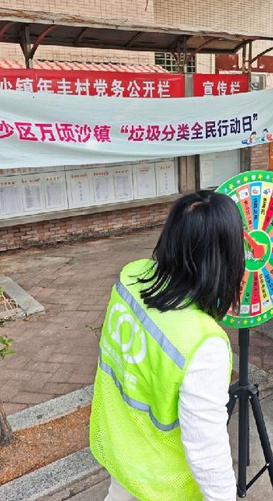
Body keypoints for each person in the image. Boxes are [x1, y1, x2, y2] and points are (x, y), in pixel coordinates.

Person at [89, 191, 243, 501]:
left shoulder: (131, 276)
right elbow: (207, 448)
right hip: (161, 483)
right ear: (224, 259)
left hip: (120, 453)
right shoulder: (203, 344)